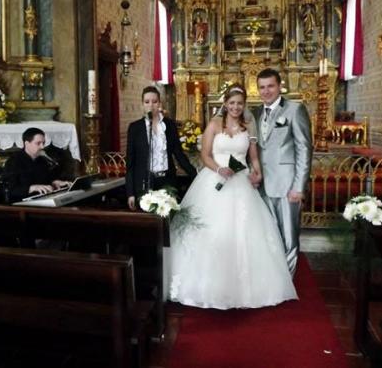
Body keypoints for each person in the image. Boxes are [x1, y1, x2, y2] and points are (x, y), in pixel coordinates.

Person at [169, 84, 297, 309]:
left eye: (239, 103)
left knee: (246, 231)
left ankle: (248, 289)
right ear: (225, 104)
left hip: (241, 181)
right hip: (214, 179)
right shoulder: (214, 124)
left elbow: (253, 157)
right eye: (232, 103)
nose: (236, 107)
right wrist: (219, 169)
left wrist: (257, 173)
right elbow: (205, 155)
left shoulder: (248, 126)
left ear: (244, 105)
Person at [255, 68, 312, 276]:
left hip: (287, 185)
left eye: (270, 86)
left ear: (280, 86)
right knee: (269, 235)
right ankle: (273, 278)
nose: (266, 91)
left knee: (289, 237)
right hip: (262, 186)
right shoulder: (255, 113)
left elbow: (304, 148)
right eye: (262, 87)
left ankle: (288, 282)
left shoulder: (295, 110)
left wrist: (299, 186)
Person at [126, 86, 197, 210]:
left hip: (167, 181)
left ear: (159, 103)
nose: (151, 105)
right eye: (147, 102)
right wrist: (130, 193)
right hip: (144, 183)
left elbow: (179, 154)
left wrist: (195, 174)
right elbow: (130, 163)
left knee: (167, 217)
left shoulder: (169, 125)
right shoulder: (135, 128)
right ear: (142, 104)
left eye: (154, 101)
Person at [1, 127, 69, 202]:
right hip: (20, 203)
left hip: (40, 199)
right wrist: (31, 188)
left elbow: (46, 180)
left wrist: (55, 183)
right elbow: (9, 189)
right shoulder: (13, 161)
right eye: (38, 143)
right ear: (27, 144)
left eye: (43, 143)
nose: (42, 147)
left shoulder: (42, 160)